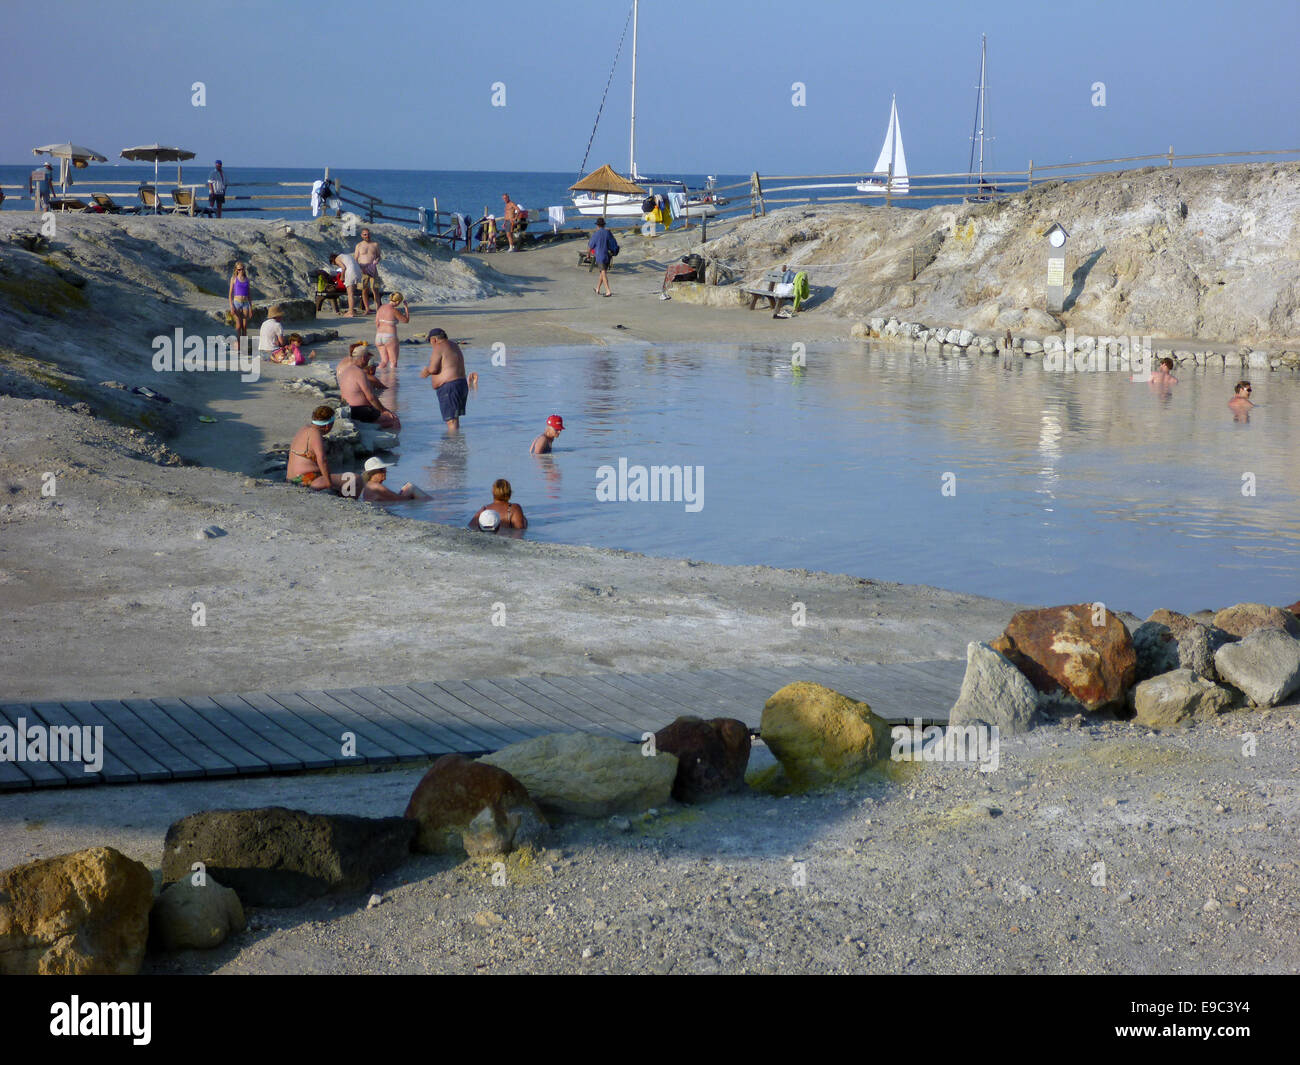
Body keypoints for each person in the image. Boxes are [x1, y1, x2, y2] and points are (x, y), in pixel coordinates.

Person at [337, 341, 400, 428]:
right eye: (368, 358)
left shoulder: (346, 371)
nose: (368, 361)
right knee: (394, 420)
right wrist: (384, 410)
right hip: (360, 411)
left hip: (348, 408)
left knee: (385, 416)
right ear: (363, 358)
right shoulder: (359, 373)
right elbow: (371, 397)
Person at [286, 406, 349, 491]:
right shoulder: (315, 433)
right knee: (354, 479)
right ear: (327, 425)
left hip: (291, 479)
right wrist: (328, 483)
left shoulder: (304, 429)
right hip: (304, 479)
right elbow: (322, 460)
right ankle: (348, 502)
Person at [419, 328, 469, 431]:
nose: (431, 344)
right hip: (461, 384)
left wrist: (426, 372)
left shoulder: (438, 347)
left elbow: (433, 369)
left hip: (449, 387)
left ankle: (452, 445)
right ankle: (457, 443)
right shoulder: (454, 345)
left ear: (434, 339)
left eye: (430, 341)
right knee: (455, 419)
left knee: (451, 420)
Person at [360, 457, 424, 502]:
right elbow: (400, 500)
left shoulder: (368, 486)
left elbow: (393, 499)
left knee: (407, 487)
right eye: (382, 470)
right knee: (411, 487)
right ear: (371, 473)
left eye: (385, 470)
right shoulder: (376, 486)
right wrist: (411, 495)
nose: (385, 474)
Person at [374, 291, 409, 369]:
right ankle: (393, 380)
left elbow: (376, 323)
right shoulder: (394, 310)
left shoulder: (380, 308)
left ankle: (380, 378)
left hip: (379, 336)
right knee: (393, 362)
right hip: (389, 336)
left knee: (384, 361)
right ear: (398, 301)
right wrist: (406, 308)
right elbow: (406, 320)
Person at [354, 227, 382, 312]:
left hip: (372, 268)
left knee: (375, 289)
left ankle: (378, 309)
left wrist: (377, 260)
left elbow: (378, 256)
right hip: (362, 268)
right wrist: (358, 268)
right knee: (364, 289)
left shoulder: (375, 244)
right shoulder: (359, 245)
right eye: (365, 234)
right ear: (362, 235)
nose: (367, 236)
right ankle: (367, 309)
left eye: (368, 234)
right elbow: (355, 258)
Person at [588, 217, 618, 296]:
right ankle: (598, 288)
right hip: (608, 256)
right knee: (602, 272)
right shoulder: (608, 232)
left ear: (597, 225)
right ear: (604, 225)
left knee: (603, 273)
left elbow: (590, 246)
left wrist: (588, 255)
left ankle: (608, 291)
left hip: (600, 256)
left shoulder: (596, 234)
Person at [328, 251, 363, 317]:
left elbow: (343, 268)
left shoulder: (337, 259)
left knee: (350, 294)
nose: (336, 265)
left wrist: (342, 277)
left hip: (351, 272)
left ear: (332, 260)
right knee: (352, 293)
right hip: (358, 271)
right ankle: (351, 310)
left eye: (334, 264)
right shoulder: (344, 256)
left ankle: (351, 312)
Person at [228, 262, 252, 345]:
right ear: (236, 270)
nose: (241, 271)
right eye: (239, 269)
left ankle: (244, 345)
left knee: (244, 327)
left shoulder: (247, 279)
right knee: (238, 326)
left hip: (245, 303)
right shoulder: (233, 278)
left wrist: (251, 308)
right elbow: (230, 293)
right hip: (236, 303)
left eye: (242, 269)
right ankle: (238, 343)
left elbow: (249, 294)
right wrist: (231, 306)